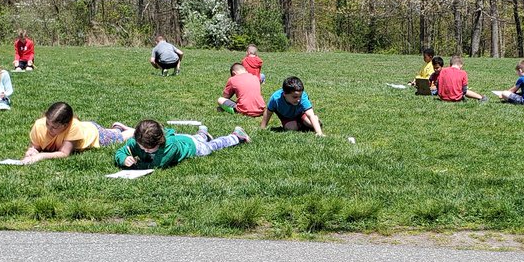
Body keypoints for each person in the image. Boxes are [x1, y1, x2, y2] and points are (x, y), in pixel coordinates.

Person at [23, 102, 135, 164]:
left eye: (54, 127)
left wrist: (41, 156)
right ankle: (117, 128)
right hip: (85, 127)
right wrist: (32, 151)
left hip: (94, 134)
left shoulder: (73, 126)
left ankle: (127, 130)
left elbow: (64, 153)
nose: (49, 128)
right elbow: (35, 146)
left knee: (120, 137)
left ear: (66, 125)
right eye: (47, 123)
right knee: (113, 133)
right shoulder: (39, 125)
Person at [115, 120, 250, 170]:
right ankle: (203, 133)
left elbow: (156, 165)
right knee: (200, 138)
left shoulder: (169, 146)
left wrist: (136, 165)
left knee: (212, 146)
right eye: (141, 146)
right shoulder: (137, 141)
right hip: (184, 138)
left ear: (160, 141)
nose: (143, 149)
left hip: (193, 147)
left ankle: (236, 136)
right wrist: (123, 159)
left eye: (148, 148)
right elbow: (121, 152)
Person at [261, 76, 325, 136]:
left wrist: (319, 132)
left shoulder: (303, 97)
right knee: (291, 128)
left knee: (311, 123)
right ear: (284, 94)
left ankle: (310, 121)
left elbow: (310, 114)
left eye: (300, 96)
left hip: (301, 113)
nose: (298, 99)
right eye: (295, 97)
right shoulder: (275, 98)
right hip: (286, 116)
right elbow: (268, 112)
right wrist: (262, 128)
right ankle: (301, 123)